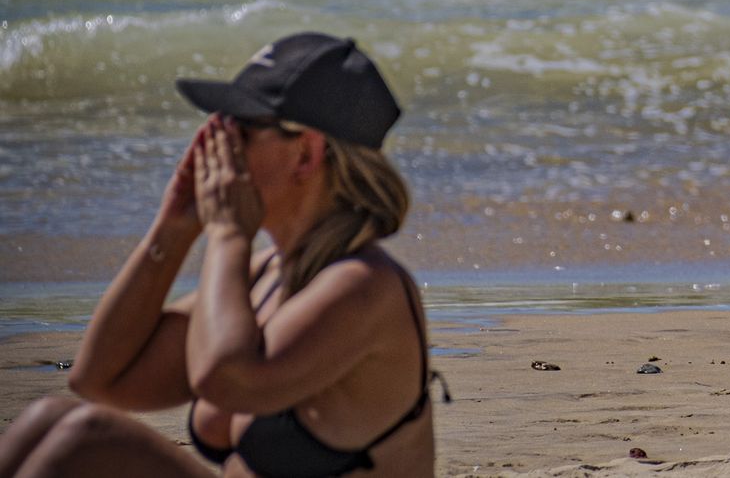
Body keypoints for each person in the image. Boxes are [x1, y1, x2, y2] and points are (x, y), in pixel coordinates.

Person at [0, 33, 438, 477]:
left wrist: (228, 234)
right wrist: (173, 226)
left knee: (83, 438)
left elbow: (224, 379)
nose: (217, 145)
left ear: (305, 152)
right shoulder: (265, 275)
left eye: (240, 131)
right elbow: (99, 378)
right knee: (47, 420)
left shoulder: (365, 287)